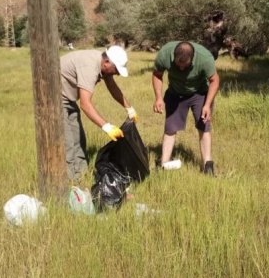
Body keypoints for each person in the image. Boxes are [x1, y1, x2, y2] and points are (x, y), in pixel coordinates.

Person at [60, 45, 138, 180]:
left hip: (68, 99)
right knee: (68, 143)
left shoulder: (102, 63)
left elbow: (112, 87)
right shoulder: (89, 67)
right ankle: (69, 180)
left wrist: (129, 108)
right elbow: (85, 104)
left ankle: (81, 175)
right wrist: (106, 127)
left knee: (78, 139)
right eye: (116, 70)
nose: (117, 73)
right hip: (56, 100)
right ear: (107, 63)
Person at [152, 41, 220, 175]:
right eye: (178, 65)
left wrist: (207, 105)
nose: (182, 69)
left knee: (203, 125)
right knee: (170, 128)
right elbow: (157, 75)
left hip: (199, 93)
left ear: (192, 58)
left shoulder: (204, 58)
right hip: (175, 93)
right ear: (174, 57)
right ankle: (164, 164)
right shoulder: (165, 53)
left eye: (186, 66)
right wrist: (158, 97)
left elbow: (214, 80)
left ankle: (207, 165)